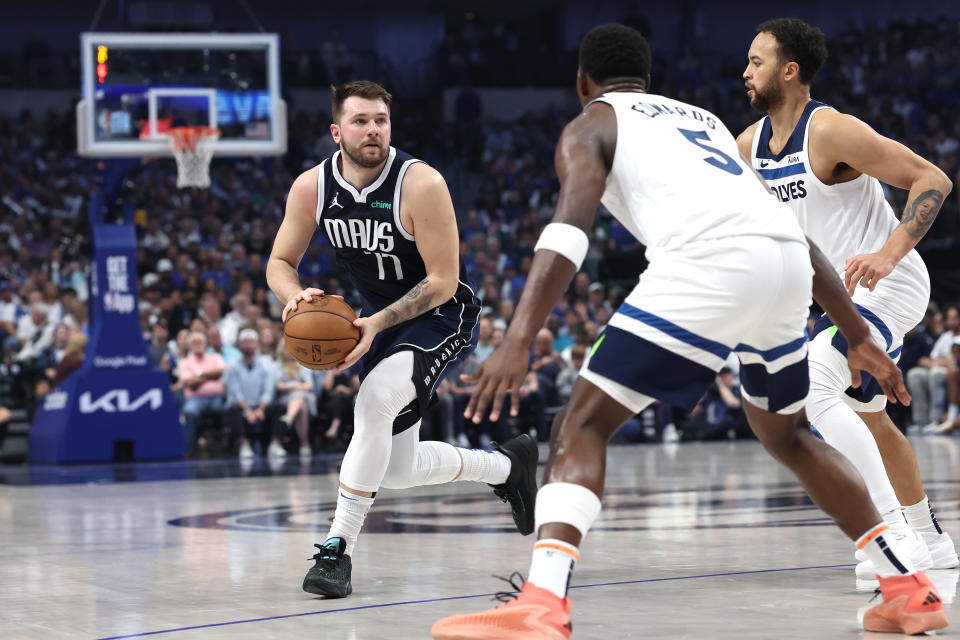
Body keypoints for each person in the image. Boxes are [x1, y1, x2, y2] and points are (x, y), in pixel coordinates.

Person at [431, 24, 945, 639]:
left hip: (714, 263)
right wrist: (854, 330)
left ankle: (541, 602)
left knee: (581, 425)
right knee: (788, 435)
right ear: (647, 80)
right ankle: (906, 587)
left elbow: (570, 230)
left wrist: (516, 338)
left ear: (582, 83)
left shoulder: (592, 123)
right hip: (790, 266)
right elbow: (793, 236)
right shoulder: (702, 120)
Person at [266, 80, 539, 599]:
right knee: (398, 471)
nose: (372, 130)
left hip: (441, 315)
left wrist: (376, 323)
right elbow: (279, 263)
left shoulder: (422, 183)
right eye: (360, 121)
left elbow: (440, 281)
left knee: (373, 402)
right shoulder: (312, 188)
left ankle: (335, 550)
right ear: (336, 130)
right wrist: (295, 296)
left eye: (381, 121)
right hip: (378, 322)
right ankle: (508, 466)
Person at [737, 18, 956, 578]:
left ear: (790, 71)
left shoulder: (831, 131)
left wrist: (887, 254)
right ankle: (930, 540)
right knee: (871, 417)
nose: (745, 72)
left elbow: (932, 179)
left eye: (756, 62)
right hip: (839, 301)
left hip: (891, 284)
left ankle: (889, 536)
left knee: (815, 385)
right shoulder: (747, 147)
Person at [223, 329, 280, 459]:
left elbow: (268, 390)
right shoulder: (232, 366)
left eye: (251, 342)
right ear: (240, 345)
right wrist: (248, 410)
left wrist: (260, 409)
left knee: (279, 408)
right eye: (245, 342)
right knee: (233, 410)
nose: (248, 345)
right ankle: (243, 444)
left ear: (257, 344)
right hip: (241, 406)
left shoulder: (266, 364)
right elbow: (235, 392)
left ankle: (275, 443)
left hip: (260, 405)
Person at [176, 330, 225, 456]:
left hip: (216, 397)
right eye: (194, 342)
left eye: (200, 341)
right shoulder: (184, 362)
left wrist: (199, 375)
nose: (197, 344)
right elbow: (189, 383)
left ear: (206, 343)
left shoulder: (215, 357)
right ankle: (190, 451)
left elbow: (220, 371)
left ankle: (223, 447)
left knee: (226, 409)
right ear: (189, 346)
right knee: (190, 412)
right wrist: (211, 376)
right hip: (195, 399)